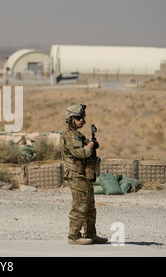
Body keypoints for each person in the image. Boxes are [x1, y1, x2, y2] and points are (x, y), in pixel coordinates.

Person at [60, 104, 108, 245]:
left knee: (90, 207)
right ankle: (74, 236)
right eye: (78, 118)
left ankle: (90, 234)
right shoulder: (69, 135)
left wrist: (91, 143)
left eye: (82, 118)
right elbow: (79, 153)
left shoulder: (78, 135)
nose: (81, 120)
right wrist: (90, 146)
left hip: (85, 175)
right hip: (77, 176)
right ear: (70, 119)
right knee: (80, 206)